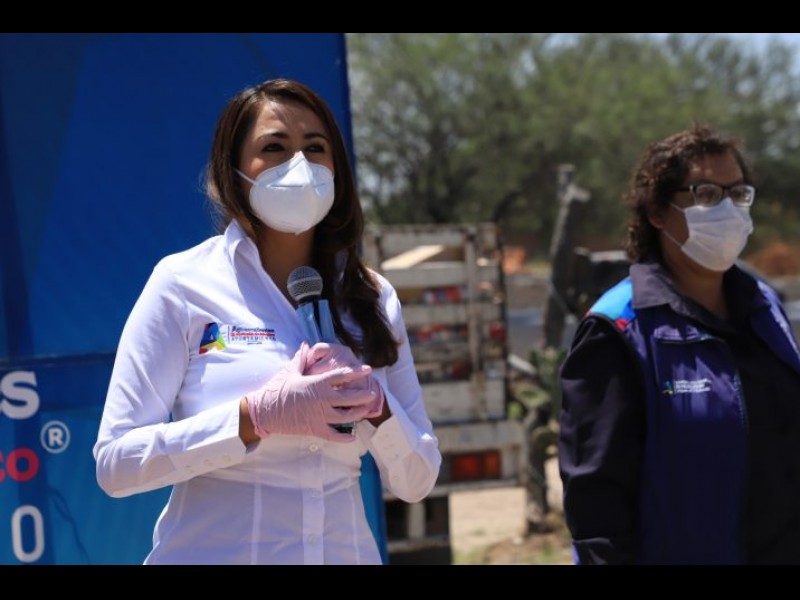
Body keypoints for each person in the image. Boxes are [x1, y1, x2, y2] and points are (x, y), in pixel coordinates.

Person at [93, 78, 441, 565]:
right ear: (233, 171)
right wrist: (253, 418)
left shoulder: (372, 296)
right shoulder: (183, 284)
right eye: (274, 148)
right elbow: (116, 465)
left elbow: (417, 480)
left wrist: (377, 408)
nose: (299, 165)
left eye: (315, 148)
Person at [558, 124, 800, 565]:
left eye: (738, 194)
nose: (727, 209)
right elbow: (597, 506)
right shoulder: (619, 327)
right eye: (706, 194)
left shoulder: (765, 307)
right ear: (656, 210)